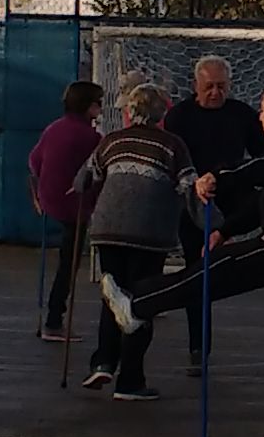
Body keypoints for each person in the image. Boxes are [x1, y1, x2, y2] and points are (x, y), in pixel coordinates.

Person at [112, 83, 264, 437]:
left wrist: (218, 179)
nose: (259, 117)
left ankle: (138, 304)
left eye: (263, 110)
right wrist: (226, 229)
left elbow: (262, 170)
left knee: (217, 271)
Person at [76, 85, 186, 399]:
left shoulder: (112, 140)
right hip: (149, 234)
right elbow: (188, 184)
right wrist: (214, 223)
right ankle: (131, 380)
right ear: (161, 114)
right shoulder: (172, 145)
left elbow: (85, 178)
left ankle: (103, 362)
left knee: (114, 295)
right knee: (141, 301)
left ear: (129, 111)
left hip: (108, 229)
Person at [166, 57, 263, 369]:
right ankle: (199, 346)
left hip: (234, 204)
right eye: (209, 87)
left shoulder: (242, 114)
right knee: (197, 274)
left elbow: (262, 156)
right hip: (193, 205)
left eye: (221, 87)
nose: (215, 93)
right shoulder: (179, 116)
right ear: (196, 85)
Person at [28, 81, 106, 344]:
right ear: (88, 106)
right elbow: (99, 173)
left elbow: (34, 161)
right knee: (68, 265)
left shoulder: (54, 128)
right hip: (75, 205)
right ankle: (53, 321)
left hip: (50, 200)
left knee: (65, 260)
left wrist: (42, 190)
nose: (100, 108)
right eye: (97, 103)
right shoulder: (90, 138)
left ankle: (50, 318)